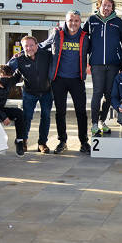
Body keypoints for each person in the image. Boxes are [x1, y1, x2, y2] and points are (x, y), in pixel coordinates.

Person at [40, 10, 91, 155]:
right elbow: (43, 45)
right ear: (65, 21)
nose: (73, 23)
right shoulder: (57, 34)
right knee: (60, 112)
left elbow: (95, 51)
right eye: (70, 20)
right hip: (59, 79)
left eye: (76, 20)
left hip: (77, 79)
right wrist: (27, 50)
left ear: (80, 22)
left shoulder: (85, 37)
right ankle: (62, 141)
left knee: (81, 112)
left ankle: (84, 141)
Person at [0, 36, 53, 154]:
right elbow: (4, 70)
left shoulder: (46, 55)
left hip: (46, 92)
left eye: (31, 45)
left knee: (45, 117)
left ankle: (42, 143)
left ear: (37, 45)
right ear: (22, 47)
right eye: (26, 46)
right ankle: (23, 141)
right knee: (27, 118)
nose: (29, 48)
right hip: (29, 93)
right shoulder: (19, 59)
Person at [83, 0, 122, 137]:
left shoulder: (118, 22)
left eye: (109, 6)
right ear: (99, 6)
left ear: (112, 8)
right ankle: (94, 123)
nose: (106, 8)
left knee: (109, 95)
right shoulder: (91, 20)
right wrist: (88, 56)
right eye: (104, 5)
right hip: (97, 64)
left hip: (113, 64)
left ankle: (102, 121)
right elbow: (83, 39)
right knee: (97, 93)